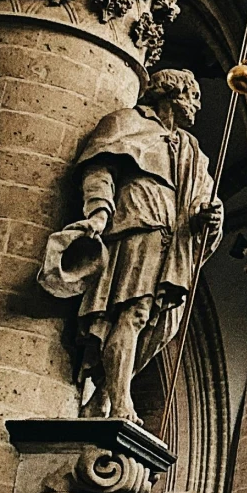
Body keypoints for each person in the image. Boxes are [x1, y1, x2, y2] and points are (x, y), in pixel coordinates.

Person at [40, 67, 222, 422]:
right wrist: (99, 213)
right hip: (138, 223)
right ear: (170, 92)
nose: (198, 106)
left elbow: (203, 200)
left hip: (175, 241)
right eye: (194, 96)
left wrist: (210, 218)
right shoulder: (127, 123)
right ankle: (119, 403)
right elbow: (100, 171)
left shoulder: (193, 152)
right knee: (132, 312)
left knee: (161, 325)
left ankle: (103, 397)